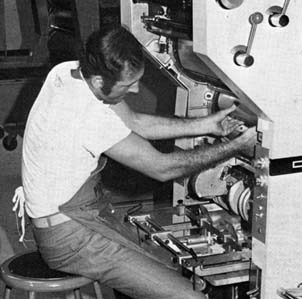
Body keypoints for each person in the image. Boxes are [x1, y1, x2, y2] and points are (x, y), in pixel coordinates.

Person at [21, 26, 256, 299]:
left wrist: (207, 125)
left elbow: (134, 122)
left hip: (76, 218)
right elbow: (161, 167)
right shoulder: (86, 116)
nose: (135, 90)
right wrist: (235, 147)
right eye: (128, 84)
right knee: (189, 296)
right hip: (70, 237)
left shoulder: (67, 72)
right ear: (99, 81)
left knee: (170, 267)